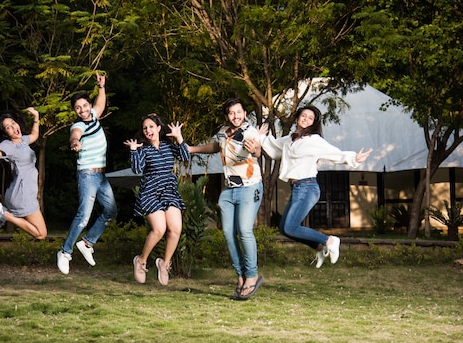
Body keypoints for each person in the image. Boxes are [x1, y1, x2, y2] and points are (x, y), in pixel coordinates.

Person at [259, 105, 373, 268]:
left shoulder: (313, 140)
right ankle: (319, 247)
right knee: (284, 229)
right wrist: (261, 138)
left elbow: (335, 154)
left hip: (307, 187)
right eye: (303, 116)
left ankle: (330, 240)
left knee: (291, 227)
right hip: (297, 187)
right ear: (298, 117)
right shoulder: (291, 139)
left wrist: (354, 157)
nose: (305, 119)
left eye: (310, 118)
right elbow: (275, 150)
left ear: (314, 122)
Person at [188, 98, 264, 300]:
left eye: (238, 112)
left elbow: (257, 150)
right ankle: (240, 276)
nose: (235, 116)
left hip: (250, 187)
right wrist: (192, 149)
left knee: (245, 231)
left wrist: (254, 148)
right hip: (229, 190)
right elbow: (216, 147)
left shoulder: (250, 131)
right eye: (231, 113)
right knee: (229, 234)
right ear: (226, 116)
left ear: (244, 113)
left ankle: (252, 275)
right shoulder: (222, 132)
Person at [57, 71, 117, 275]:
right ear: (75, 111)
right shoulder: (79, 125)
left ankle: (87, 243)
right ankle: (65, 252)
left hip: (101, 177)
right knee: (83, 216)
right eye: (77, 108)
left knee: (111, 211)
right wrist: (74, 143)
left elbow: (101, 103)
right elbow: (75, 136)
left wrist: (101, 87)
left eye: (84, 106)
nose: (82, 110)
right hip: (87, 175)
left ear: (89, 106)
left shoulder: (95, 116)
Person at [124, 114, 190, 286]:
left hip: (169, 191)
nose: (148, 131)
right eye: (145, 128)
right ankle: (141, 260)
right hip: (150, 192)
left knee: (175, 229)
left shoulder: (169, 146)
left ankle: (164, 263)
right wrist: (133, 150)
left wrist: (179, 137)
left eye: (151, 127)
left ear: (159, 128)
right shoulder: (143, 149)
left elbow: (184, 157)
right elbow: (137, 169)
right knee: (159, 229)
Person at [0, 107, 48, 240]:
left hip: (25, 192)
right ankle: (6, 215)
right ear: (6, 133)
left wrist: (36, 117)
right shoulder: (7, 145)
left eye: (13, 123)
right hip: (22, 194)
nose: (13, 127)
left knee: (41, 234)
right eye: (8, 127)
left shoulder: (23, 141)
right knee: (41, 234)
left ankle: (6, 214)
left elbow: (34, 135)